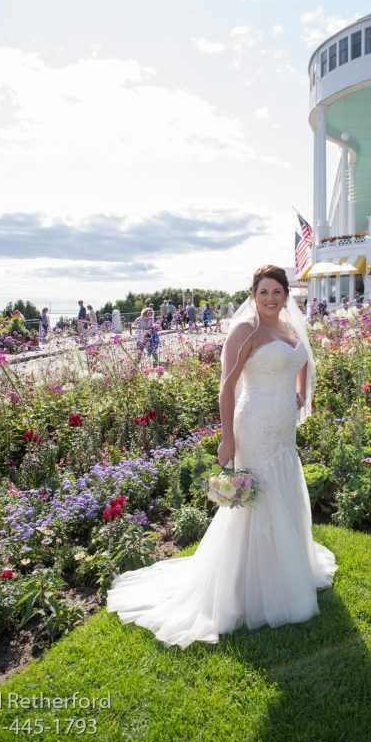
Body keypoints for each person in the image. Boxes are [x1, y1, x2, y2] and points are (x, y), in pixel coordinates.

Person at [107, 264, 338, 649]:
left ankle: (286, 568)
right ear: (253, 294)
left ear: (286, 295)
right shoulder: (245, 330)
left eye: (277, 292)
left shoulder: (290, 328)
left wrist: (300, 393)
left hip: (283, 430)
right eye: (263, 292)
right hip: (255, 429)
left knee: (282, 489)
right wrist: (227, 439)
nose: (270, 299)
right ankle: (245, 587)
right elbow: (226, 388)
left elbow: (303, 362)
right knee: (255, 501)